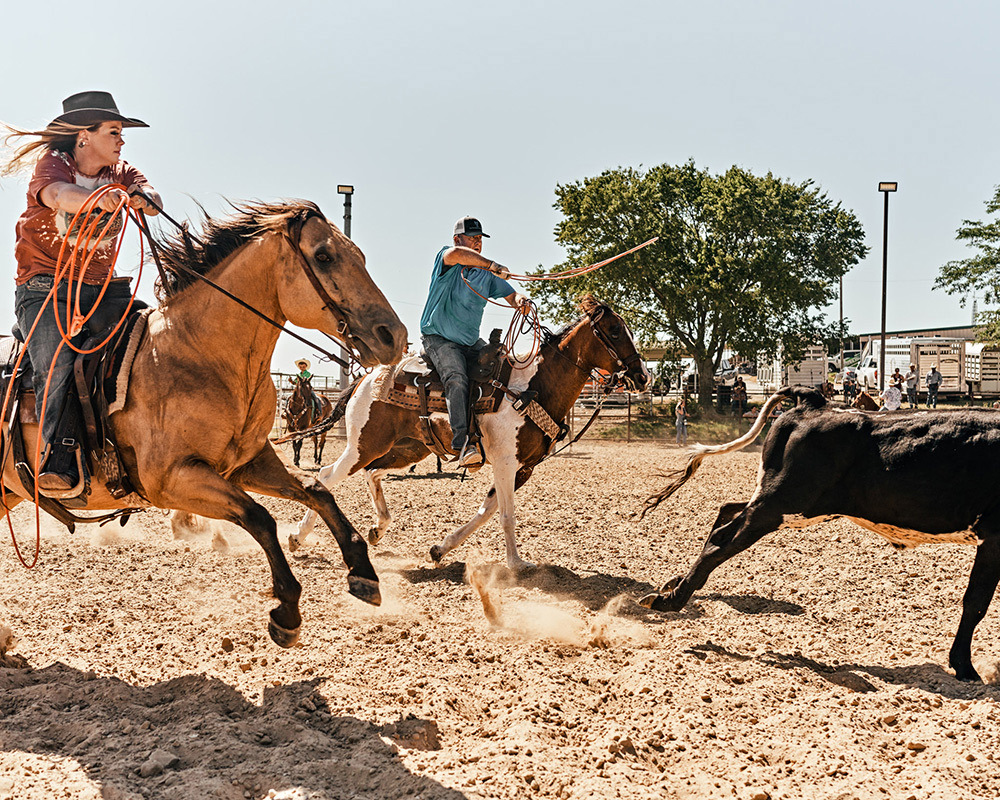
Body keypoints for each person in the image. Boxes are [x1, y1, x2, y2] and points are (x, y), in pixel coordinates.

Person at [2, 91, 160, 496]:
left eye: (122, 132)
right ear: (84, 136)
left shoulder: (121, 171)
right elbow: (57, 195)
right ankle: (57, 455)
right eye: (114, 131)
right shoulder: (53, 165)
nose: (122, 140)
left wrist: (144, 198)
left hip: (102, 289)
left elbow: (153, 198)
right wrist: (96, 199)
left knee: (148, 339)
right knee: (57, 361)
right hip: (43, 288)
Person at [419, 216, 530, 468]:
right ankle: (462, 442)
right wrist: (492, 265)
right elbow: (457, 254)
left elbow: (511, 295)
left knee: (506, 365)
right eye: (473, 238)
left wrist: (520, 301)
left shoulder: (486, 276)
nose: (477, 243)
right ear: (458, 239)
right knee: (456, 378)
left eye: (480, 239)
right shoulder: (446, 260)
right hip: (439, 337)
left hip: (469, 341)